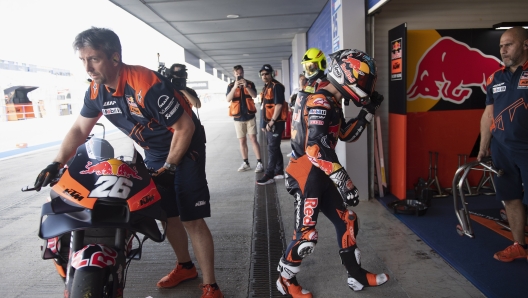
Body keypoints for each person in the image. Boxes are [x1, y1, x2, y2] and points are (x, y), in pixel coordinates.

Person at [33, 27, 223, 298]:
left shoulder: (146, 83)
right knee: (168, 215)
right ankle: (185, 267)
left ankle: (211, 286)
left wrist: (169, 169)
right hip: (155, 151)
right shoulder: (97, 90)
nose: (87, 67)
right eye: (83, 60)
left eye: (94, 59)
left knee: (192, 217)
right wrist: (56, 162)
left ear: (114, 57)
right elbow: (79, 130)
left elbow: (185, 127)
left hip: (185, 145)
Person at [275, 49, 388, 298]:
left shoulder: (331, 99)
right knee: (306, 238)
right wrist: (345, 182)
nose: (366, 86)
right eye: (364, 81)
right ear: (346, 74)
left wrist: (368, 109)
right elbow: (315, 150)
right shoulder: (320, 101)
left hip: (320, 172)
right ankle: (284, 279)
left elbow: (346, 135)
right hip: (305, 174)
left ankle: (356, 276)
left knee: (347, 221)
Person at [478, 26, 528, 263]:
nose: (503, 50)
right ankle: (518, 245)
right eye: (501, 46)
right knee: (510, 197)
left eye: (509, 44)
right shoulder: (495, 77)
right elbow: (489, 114)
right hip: (502, 149)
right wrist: (483, 146)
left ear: (525, 45)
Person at [226, 65, 263, 172]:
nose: (239, 75)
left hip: (250, 116)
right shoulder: (230, 85)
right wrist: (234, 87)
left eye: (241, 73)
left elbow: (255, 95)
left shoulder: (250, 83)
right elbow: (228, 99)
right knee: (242, 141)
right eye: (237, 74)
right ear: (234, 74)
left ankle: (259, 162)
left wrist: (246, 86)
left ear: (243, 72)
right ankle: (245, 162)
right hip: (238, 117)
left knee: (253, 139)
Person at [256, 64, 288, 185]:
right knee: (274, 147)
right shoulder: (266, 87)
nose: (264, 76)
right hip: (269, 123)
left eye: (267, 74)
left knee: (272, 148)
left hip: (276, 123)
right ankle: (279, 171)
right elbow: (264, 107)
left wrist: (271, 122)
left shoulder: (276, 86)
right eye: (262, 74)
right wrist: (264, 124)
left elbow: (279, 105)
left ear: (272, 74)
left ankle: (269, 175)